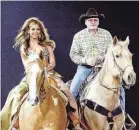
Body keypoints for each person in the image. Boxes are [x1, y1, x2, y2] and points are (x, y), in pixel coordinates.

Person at [1, 17, 82, 130]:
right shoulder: (24, 48)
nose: (35, 32)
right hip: (32, 74)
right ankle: (15, 122)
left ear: (41, 31)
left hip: (48, 73)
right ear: (28, 31)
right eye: (33, 29)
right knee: (15, 94)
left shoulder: (46, 47)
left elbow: (52, 63)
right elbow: (26, 65)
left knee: (66, 92)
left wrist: (45, 70)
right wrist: (36, 70)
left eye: (38, 29)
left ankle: (75, 122)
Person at [69, 8, 136, 129]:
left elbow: (112, 52)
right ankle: (71, 118)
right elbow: (73, 54)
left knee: (120, 89)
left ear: (98, 21)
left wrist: (103, 59)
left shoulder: (106, 35)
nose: (93, 21)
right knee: (73, 88)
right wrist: (85, 60)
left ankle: (122, 116)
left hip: (103, 68)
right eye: (90, 20)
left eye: (95, 19)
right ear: (86, 22)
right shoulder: (78, 36)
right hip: (85, 68)